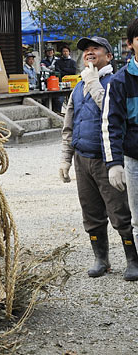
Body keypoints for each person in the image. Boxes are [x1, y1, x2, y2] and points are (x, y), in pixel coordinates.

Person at [59, 36, 137, 280]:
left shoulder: (115, 81)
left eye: (96, 49)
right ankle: (100, 258)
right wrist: (65, 158)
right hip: (82, 159)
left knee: (121, 212)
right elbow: (68, 126)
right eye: (86, 50)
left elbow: (112, 114)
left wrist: (94, 84)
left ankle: (133, 259)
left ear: (109, 56)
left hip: (107, 158)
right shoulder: (78, 86)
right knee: (91, 214)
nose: (89, 53)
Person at [101, 17, 138, 278]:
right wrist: (114, 164)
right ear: (131, 44)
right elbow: (111, 124)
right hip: (135, 158)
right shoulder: (121, 81)